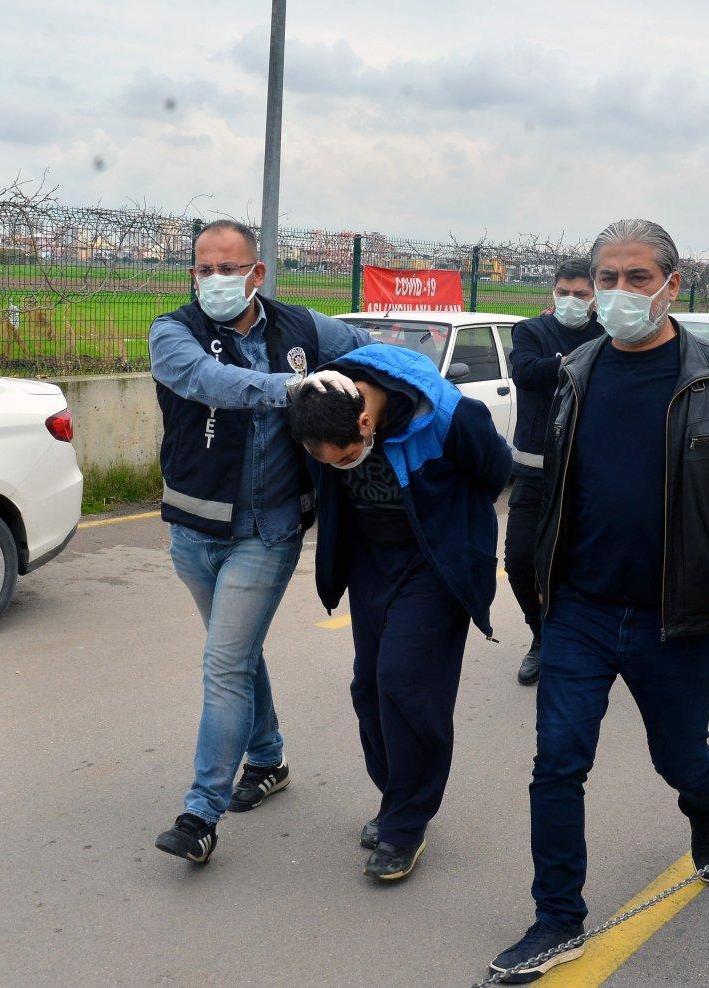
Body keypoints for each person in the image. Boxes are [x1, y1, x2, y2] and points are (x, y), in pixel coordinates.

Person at [488, 219, 709, 982]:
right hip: (581, 610)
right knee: (557, 762)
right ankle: (558, 919)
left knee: (679, 757)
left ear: (671, 286)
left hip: (676, 616)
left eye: (636, 279)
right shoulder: (580, 368)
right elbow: (562, 483)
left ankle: (707, 806)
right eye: (608, 280)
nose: (619, 294)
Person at [148, 219, 373, 864]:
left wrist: (374, 393)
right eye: (203, 269)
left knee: (224, 663)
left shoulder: (301, 328)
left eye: (229, 268)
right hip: (194, 531)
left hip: (269, 530)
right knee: (235, 651)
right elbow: (210, 384)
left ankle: (200, 814)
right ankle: (268, 758)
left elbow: (367, 348)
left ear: (257, 273)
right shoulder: (173, 333)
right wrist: (295, 388)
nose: (215, 280)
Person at [288, 342, 511, 880]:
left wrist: (458, 533)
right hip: (372, 565)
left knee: (406, 683)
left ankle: (406, 826)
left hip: (433, 564)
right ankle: (397, 800)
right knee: (369, 687)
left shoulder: (449, 417)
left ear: (366, 422)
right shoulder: (326, 400)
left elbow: (496, 470)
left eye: (343, 457)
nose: (341, 467)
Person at [506, 260, 604, 686]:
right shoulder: (532, 331)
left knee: (579, 565)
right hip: (533, 473)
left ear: (595, 297)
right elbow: (525, 372)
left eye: (581, 294)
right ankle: (540, 635)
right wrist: (571, 363)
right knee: (519, 563)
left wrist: (567, 363)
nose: (571, 301)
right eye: (564, 292)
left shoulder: (607, 335)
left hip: (587, 477)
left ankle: (575, 637)